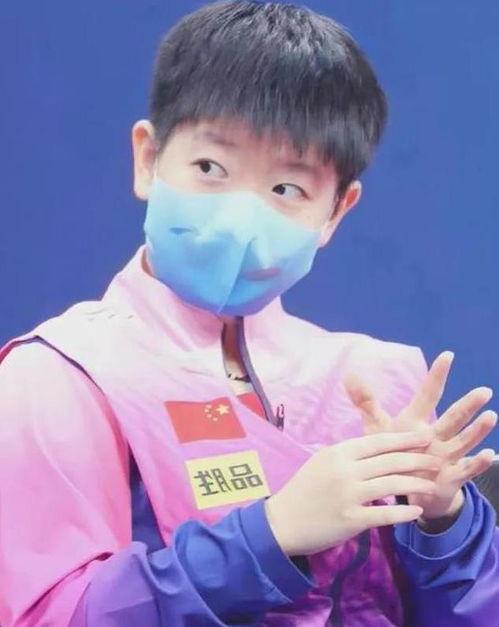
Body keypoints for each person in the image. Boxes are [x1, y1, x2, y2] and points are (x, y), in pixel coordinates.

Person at [0, 2, 497, 625]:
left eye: (287, 188)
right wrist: (272, 534)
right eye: (210, 168)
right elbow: (49, 614)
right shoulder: (61, 376)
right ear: (147, 159)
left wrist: (444, 524)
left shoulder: (378, 380)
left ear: (336, 212)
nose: (239, 218)